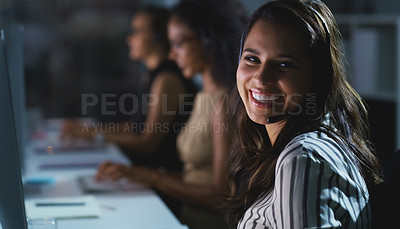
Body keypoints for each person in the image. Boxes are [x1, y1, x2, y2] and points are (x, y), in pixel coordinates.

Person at [224, 0, 383, 228]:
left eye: (284, 65)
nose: (260, 78)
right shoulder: (303, 146)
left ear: (317, 78)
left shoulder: (303, 158)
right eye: (252, 59)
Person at [95, 0, 247, 228]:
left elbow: (220, 197)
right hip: (184, 218)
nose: (173, 55)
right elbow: (195, 176)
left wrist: (153, 177)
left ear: (208, 41)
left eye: (178, 44)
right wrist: (139, 174)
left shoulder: (224, 104)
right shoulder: (203, 96)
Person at [61, 6, 196, 172]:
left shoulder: (166, 79)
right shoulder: (151, 76)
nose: (129, 39)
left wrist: (94, 135)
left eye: (137, 31)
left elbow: (147, 143)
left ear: (158, 37)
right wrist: (88, 130)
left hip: (160, 175)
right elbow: (135, 126)